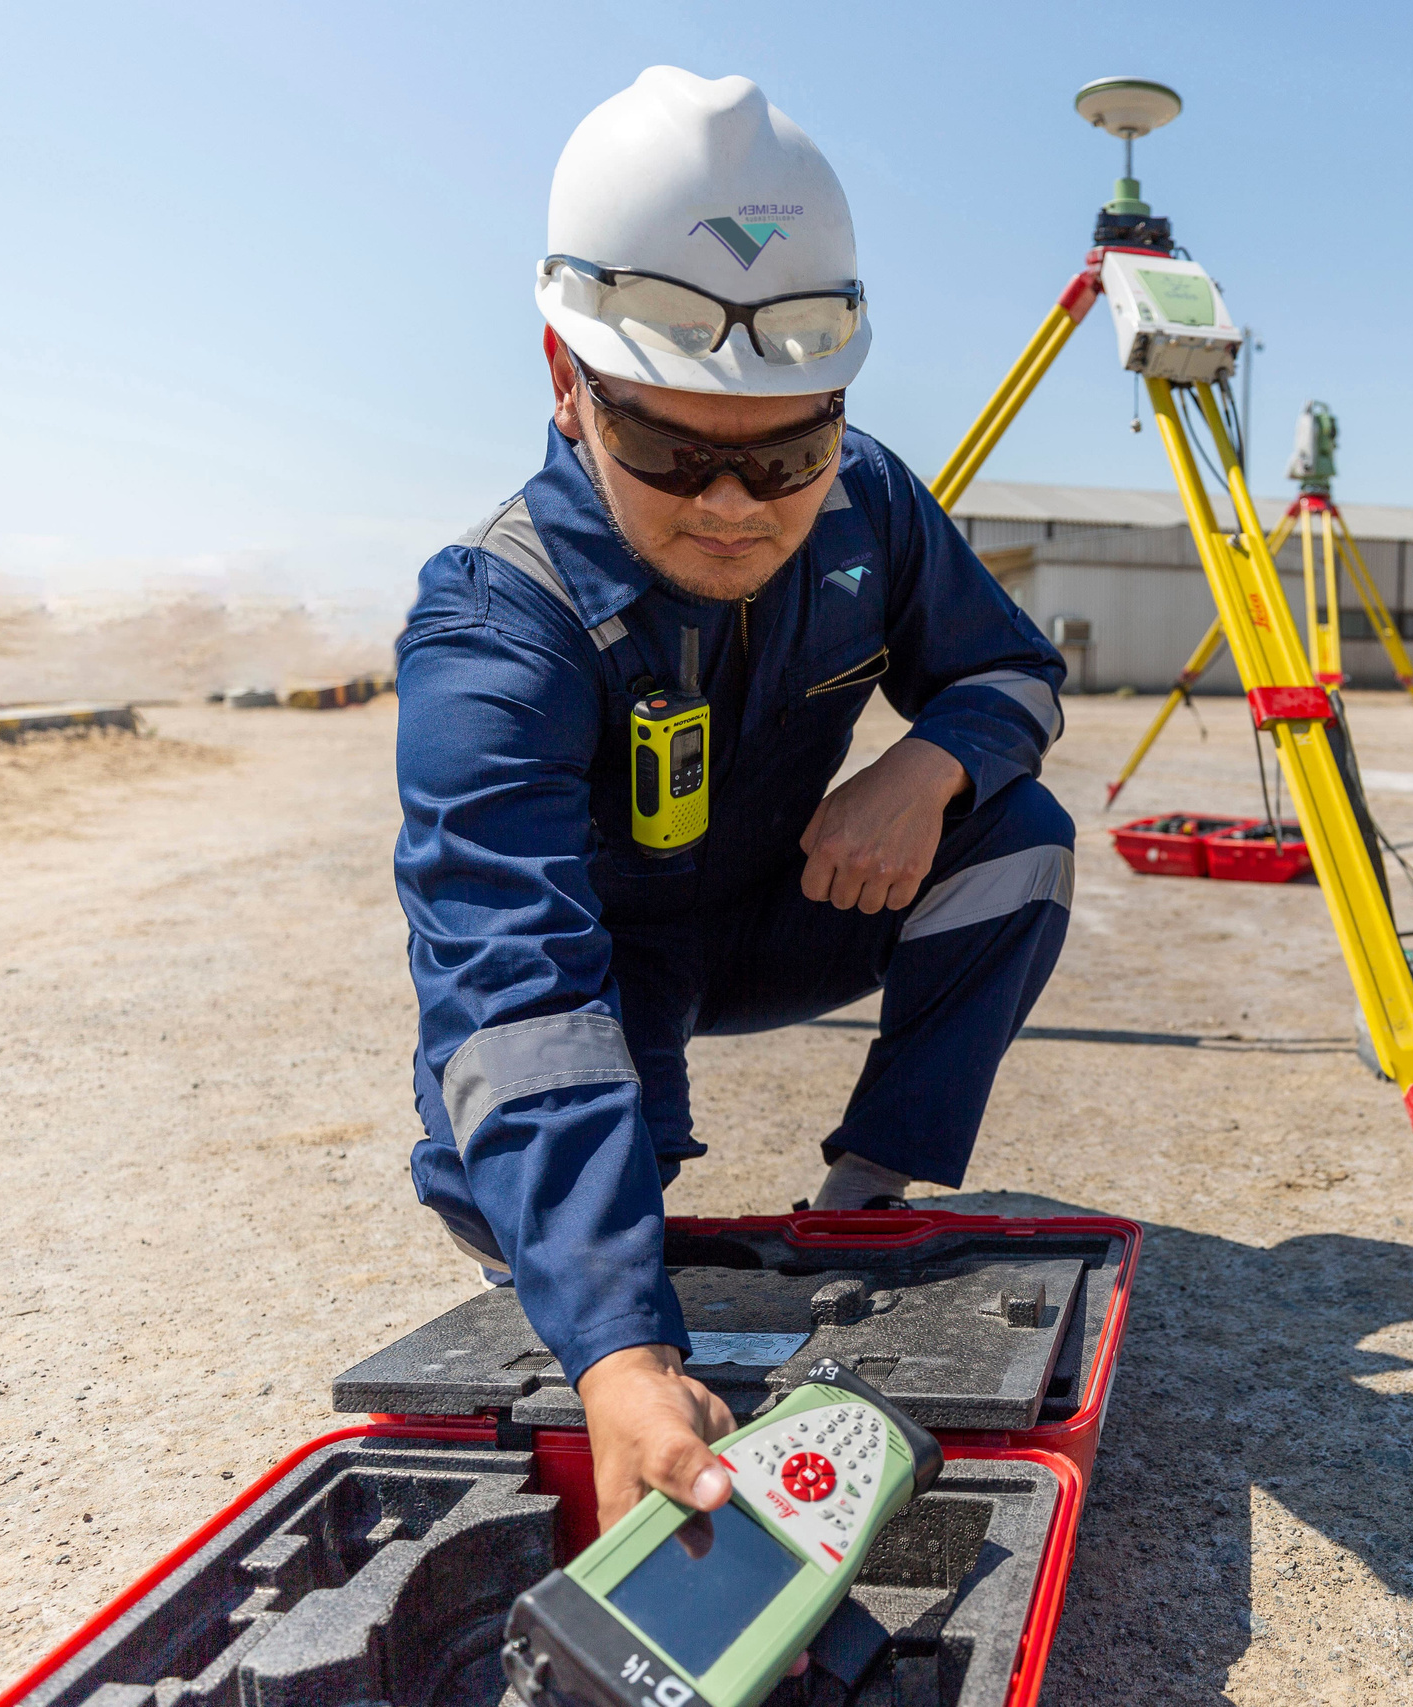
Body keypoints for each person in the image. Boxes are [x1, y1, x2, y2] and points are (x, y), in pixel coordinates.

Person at [391, 67, 1071, 1530]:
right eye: (671, 451)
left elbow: (1016, 678)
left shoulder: (869, 502)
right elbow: (511, 986)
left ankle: (870, 1190)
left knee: (1019, 844)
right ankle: (553, 1224)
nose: (734, 504)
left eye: (784, 451)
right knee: (537, 1190)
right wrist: (622, 1356)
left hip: (780, 913)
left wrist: (927, 763)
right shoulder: (494, 626)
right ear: (566, 386)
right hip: (605, 961)